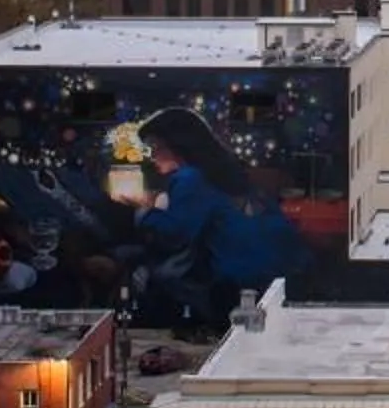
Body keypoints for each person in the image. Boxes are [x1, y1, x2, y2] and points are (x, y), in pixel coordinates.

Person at [128, 109, 309, 330]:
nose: (151, 156)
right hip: (285, 272)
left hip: (238, 279)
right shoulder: (225, 170)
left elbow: (174, 232)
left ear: (177, 145)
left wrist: (144, 210)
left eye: (155, 148)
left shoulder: (190, 177)